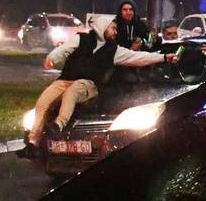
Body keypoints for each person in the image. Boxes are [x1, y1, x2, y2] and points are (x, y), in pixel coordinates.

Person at [29, 13, 167, 145]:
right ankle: (32, 142)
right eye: (113, 28)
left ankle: (58, 125)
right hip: (65, 80)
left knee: (73, 91)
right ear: (103, 27)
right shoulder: (81, 39)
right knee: (43, 103)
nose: (115, 32)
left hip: (88, 84)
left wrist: (163, 57)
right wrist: (52, 58)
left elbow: (137, 57)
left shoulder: (114, 50)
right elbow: (64, 49)